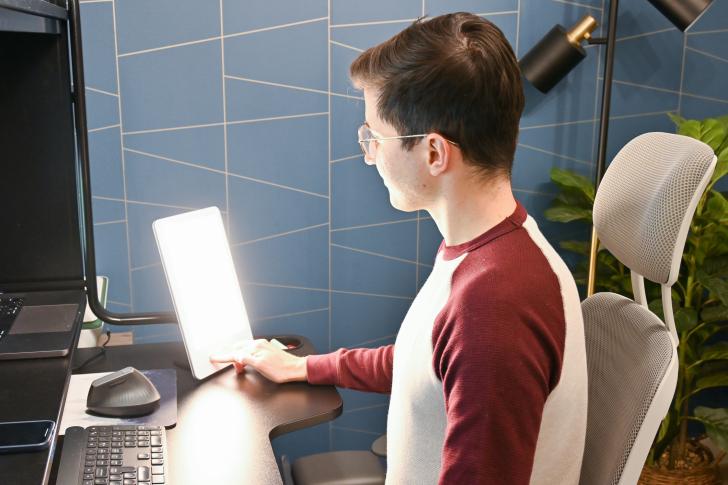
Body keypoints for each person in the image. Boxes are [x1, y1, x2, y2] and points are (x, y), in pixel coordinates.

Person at [211, 12, 587, 484]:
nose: (369, 154)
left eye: (375, 136)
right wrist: (303, 366)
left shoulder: (495, 305)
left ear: (434, 152)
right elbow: (428, 361)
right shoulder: (488, 255)